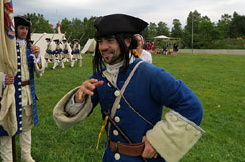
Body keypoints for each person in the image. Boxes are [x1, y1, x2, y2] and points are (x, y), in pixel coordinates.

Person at [53, 14, 204, 162]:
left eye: (110, 41)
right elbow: (70, 116)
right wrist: (78, 98)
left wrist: (159, 141)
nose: (103, 47)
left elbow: (192, 106)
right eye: (100, 41)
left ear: (126, 41)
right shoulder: (100, 75)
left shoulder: (150, 73)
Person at [0, 16, 44, 162]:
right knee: (6, 128)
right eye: (21, 28)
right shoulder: (5, 49)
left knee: (26, 127)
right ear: (15, 29)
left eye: (26, 28)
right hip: (9, 94)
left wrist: (38, 57)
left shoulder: (31, 48)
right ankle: (7, 158)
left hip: (27, 94)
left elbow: (39, 73)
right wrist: (2, 79)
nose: (24, 31)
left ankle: (26, 155)